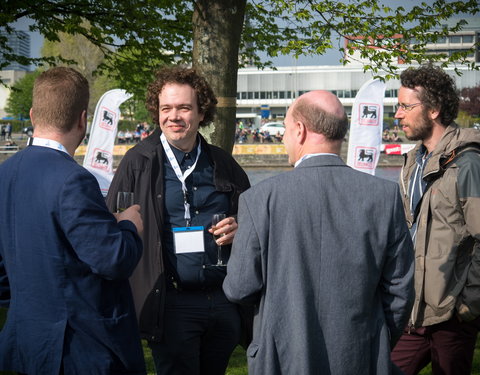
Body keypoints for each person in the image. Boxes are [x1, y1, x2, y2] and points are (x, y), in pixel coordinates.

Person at [223, 90, 415, 375]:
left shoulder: (261, 199)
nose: (284, 139)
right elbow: (400, 290)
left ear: (299, 130)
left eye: (286, 130)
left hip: (282, 357)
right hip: (360, 354)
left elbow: (239, 286)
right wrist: (376, 338)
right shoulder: (383, 196)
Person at [0, 67, 146, 375]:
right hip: (79, 350)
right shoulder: (73, 180)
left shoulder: (6, 173)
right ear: (83, 120)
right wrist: (129, 225)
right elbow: (114, 260)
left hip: (28, 341)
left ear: (31, 114)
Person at [106, 66, 251, 375]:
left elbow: (256, 219)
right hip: (170, 303)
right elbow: (111, 224)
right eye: (166, 108)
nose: (173, 116)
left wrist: (241, 226)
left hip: (224, 300)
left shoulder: (222, 162)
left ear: (201, 113)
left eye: (184, 107)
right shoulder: (138, 161)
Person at [390, 64, 480, 374]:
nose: (397, 115)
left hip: (452, 313)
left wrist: (468, 303)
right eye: (397, 106)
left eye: (405, 106)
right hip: (413, 310)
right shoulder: (413, 162)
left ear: (434, 110)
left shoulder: (467, 163)